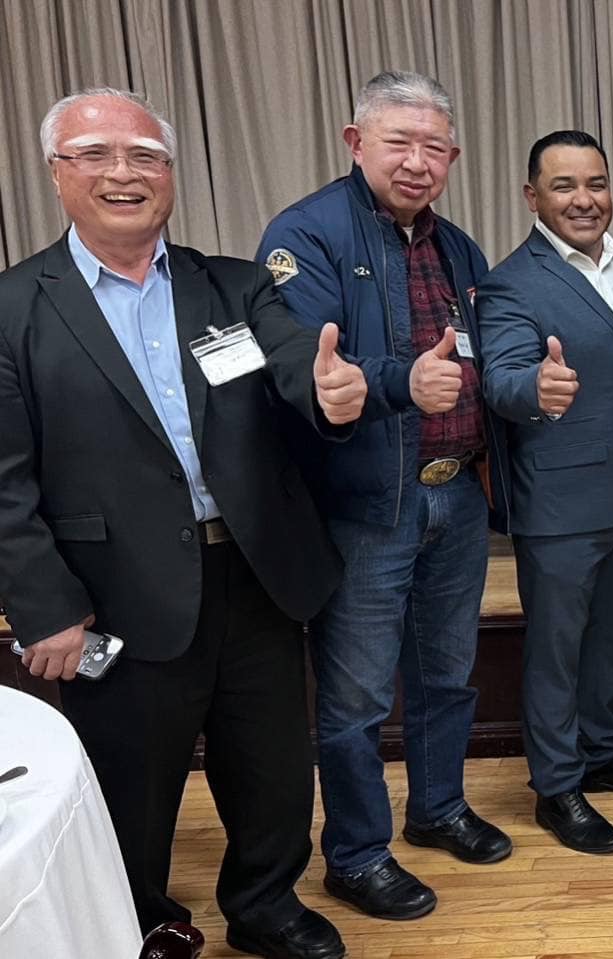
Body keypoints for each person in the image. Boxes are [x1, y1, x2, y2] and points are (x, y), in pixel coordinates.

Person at [1, 87, 363, 959]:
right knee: (131, 777)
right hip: (112, 590)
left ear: (170, 173)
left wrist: (328, 393)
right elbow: (3, 480)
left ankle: (266, 904)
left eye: (145, 156)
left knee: (273, 767)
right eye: (95, 154)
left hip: (255, 572)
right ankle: (136, 914)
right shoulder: (13, 308)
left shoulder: (234, 284)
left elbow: (292, 363)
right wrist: (45, 605)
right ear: (56, 173)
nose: (123, 173)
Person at [256, 70, 510, 921]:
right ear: (354, 142)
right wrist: (403, 381)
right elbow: (305, 361)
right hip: (366, 504)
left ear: (453, 158)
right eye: (398, 142)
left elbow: (478, 356)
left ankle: (437, 808)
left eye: (433, 147)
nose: (416, 161)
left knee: (447, 674)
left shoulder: (457, 247)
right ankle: (357, 854)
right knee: (357, 695)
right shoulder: (306, 234)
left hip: (455, 496)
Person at [476, 129, 613, 857]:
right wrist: (533, 388)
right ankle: (557, 785)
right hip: (561, 505)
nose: (583, 199)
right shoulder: (512, 283)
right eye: (563, 185)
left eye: (595, 183)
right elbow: (502, 376)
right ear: (532, 196)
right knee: (557, 652)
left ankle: (604, 752)